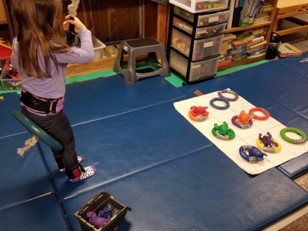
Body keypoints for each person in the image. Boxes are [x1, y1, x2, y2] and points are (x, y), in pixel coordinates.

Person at [10, 0, 96, 183]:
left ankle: (63, 163)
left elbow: (16, 64)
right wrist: (84, 31)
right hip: (49, 112)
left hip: (28, 105)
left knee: (54, 139)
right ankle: (75, 173)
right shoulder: (52, 48)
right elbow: (88, 55)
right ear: (46, 19)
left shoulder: (18, 42)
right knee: (68, 142)